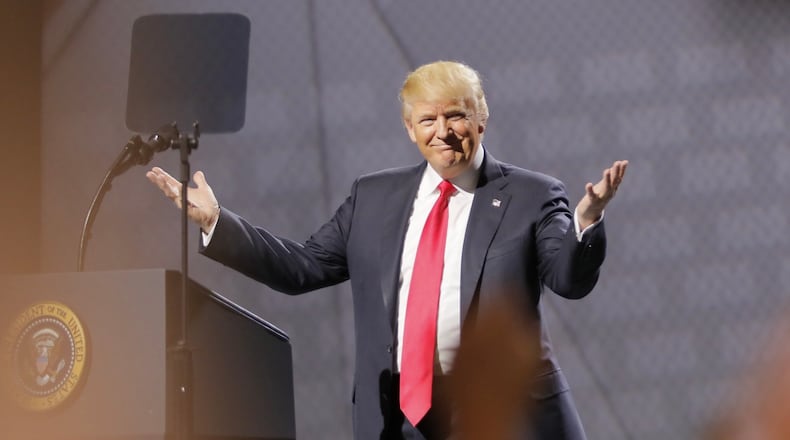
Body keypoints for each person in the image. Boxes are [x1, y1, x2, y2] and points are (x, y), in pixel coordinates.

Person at [146, 60, 627, 440]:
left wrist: (587, 219)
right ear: (409, 128)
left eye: (456, 115)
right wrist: (215, 221)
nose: (443, 130)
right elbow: (302, 267)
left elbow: (570, 280)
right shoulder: (373, 197)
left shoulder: (532, 195)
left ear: (481, 118)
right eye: (428, 119)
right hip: (396, 419)